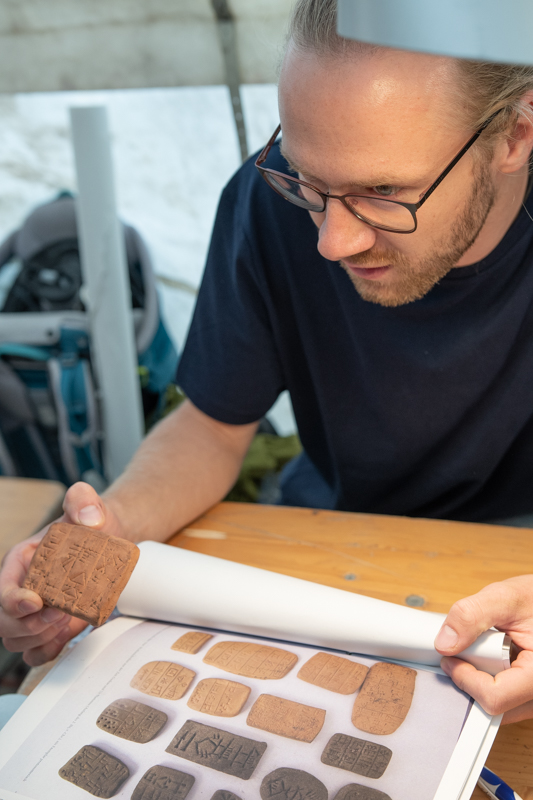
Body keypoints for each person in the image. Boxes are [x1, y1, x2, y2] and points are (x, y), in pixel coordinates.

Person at [1, 0, 533, 723]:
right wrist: (115, 525)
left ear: (515, 135)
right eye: (307, 181)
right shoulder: (264, 202)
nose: (332, 241)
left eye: (382, 193)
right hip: (321, 541)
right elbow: (216, 424)